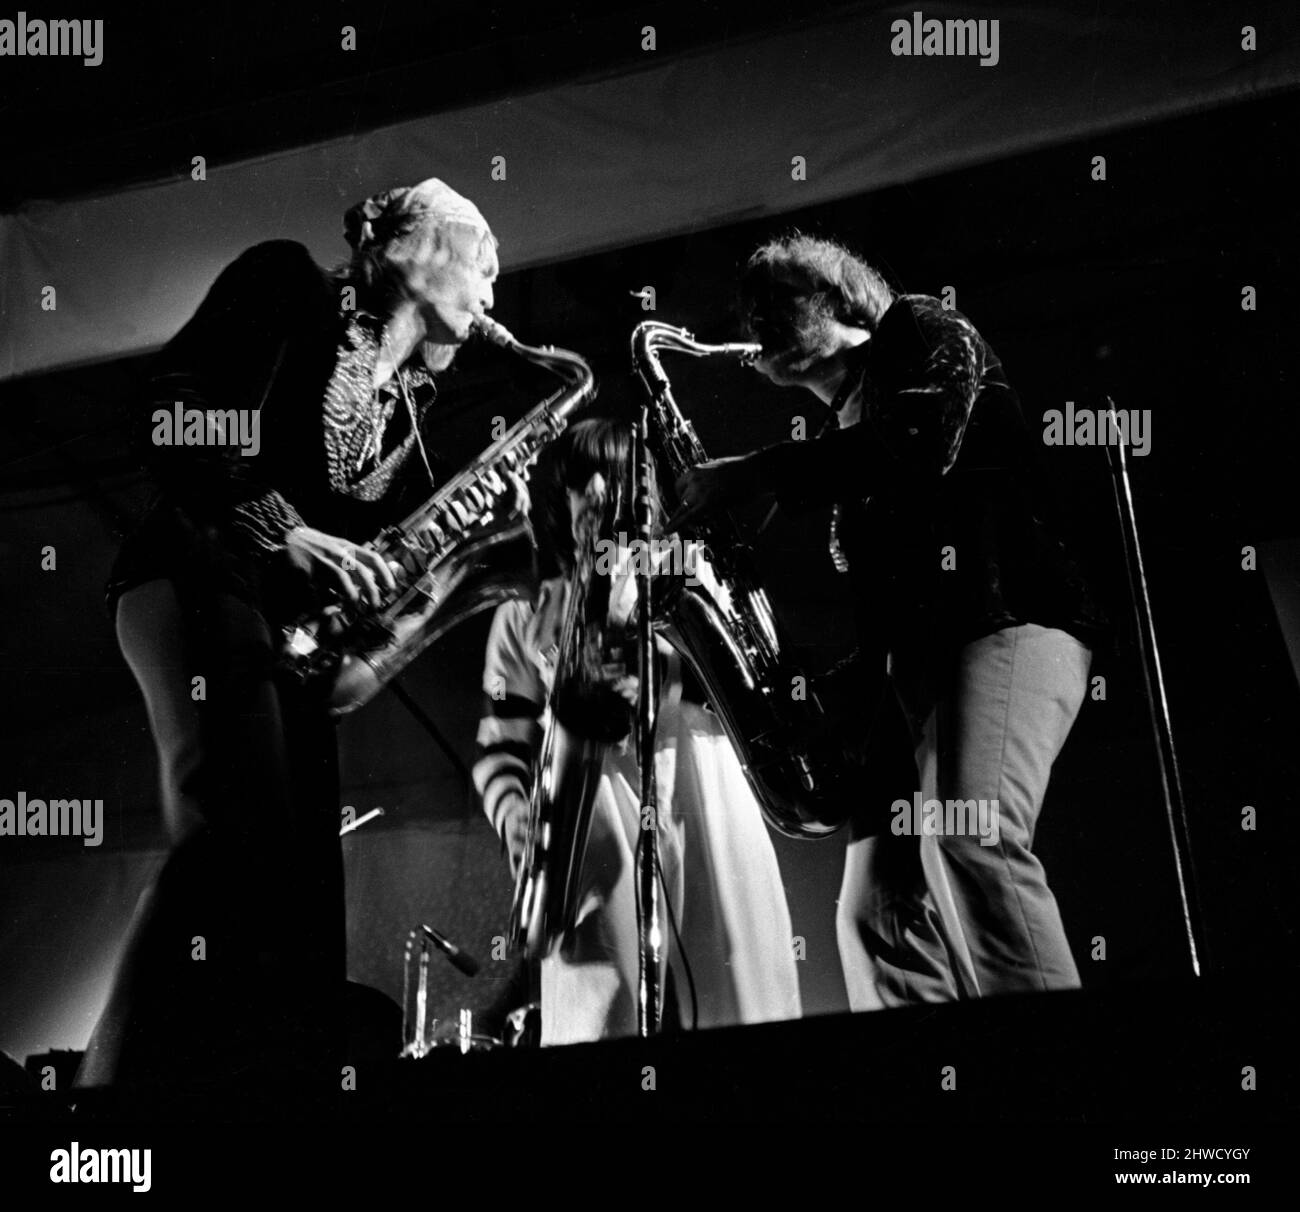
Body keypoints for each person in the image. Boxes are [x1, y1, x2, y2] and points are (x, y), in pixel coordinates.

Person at [78, 179, 500, 1097]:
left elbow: (355, 572)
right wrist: (285, 530)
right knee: (232, 838)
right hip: (195, 575)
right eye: (484, 260)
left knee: (299, 895)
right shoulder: (288, 284)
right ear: (411, 246)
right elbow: (172, 406)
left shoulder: (406, 408)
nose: (495, 290)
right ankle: (100, 1106)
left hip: (282, 635)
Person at [670, 234, 1107, 1010]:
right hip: (914, 677)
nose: (754, 320)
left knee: (975, 838)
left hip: (1005, 624)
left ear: (841, 301)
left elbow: (913, 444)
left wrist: (752, 473)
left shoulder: (923, 328)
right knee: (876, 916)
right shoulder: (848, 438)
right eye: (750, 309)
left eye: (777, 301)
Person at [473, 418, 802, 1043]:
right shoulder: (522, 613)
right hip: (585, 815)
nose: (597, 493)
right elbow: (499, 745)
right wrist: (516, 814)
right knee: (603, 1011)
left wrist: (647, 638)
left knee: (737, 994)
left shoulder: (691, 573)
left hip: (703, 800)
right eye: (580, 481)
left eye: (614, 477)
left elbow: (751, 686)